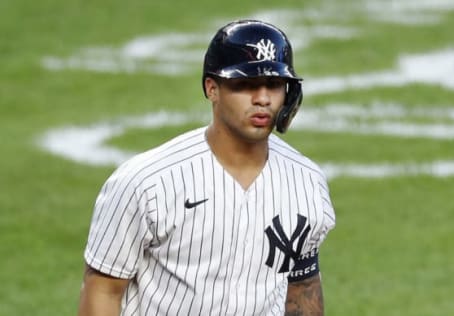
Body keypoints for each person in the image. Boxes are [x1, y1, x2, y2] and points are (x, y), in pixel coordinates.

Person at [77, 19, 336, 316]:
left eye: (274, 85)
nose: (263, 99)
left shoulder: (306, 182)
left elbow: (303, 285)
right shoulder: (147, 182)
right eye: (246, 85)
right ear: (212, 88)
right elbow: (103, 289)